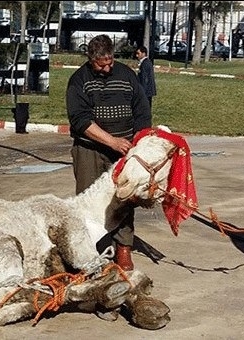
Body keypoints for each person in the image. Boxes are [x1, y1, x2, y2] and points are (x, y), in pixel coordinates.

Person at [65, 34, 152, 271]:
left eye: (110, 61)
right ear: (90, 60)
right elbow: (80, 121)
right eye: (101, 64)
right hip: (89, 150)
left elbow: (142, 110)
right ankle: (89, 251)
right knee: (88, 200)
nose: (107, 67)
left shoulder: (126, 75)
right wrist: (112, 142)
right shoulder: (78, 80)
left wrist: (138, 142)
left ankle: (123, 249)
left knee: (124, 198)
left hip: (124, 151)